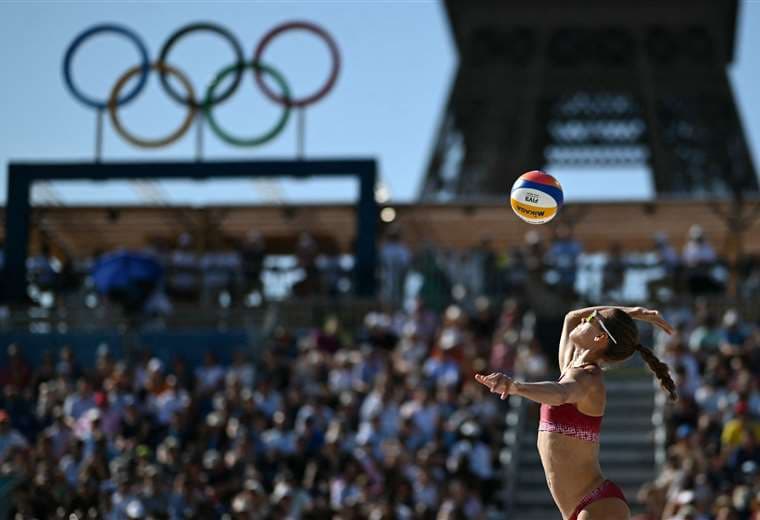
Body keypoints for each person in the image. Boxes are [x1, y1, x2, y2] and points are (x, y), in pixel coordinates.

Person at [476, 305, 678, 520]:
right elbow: (571, 316)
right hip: (580, 507)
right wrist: (632, 312)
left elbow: (562, 393)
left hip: (598, 504)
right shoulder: (571, 366)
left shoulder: (590, 378)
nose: (585, 317)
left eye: (592, 317)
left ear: (600, 338)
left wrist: (515, 387)